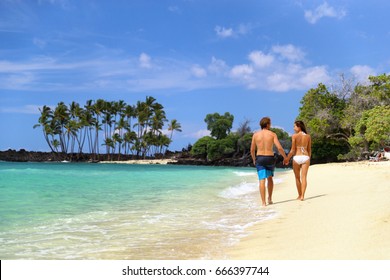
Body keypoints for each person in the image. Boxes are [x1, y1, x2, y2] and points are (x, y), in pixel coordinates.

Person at [251, 117, 287, 207]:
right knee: (270, 178)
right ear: (267, 124)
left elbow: (252, 149)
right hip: (269, 158)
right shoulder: (272, 134)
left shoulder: (255, 135)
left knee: (261, 180)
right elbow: (279, 147)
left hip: (260, 158)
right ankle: (270, 198)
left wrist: (254, 159)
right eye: (270, 123)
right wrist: (285, 157)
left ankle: (263, 203)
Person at [284, 120, 312, 201]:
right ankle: (302, 196)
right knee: (304, 177)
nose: (293, 128)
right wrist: (308, 158)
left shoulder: (294, 136)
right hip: (306, 157)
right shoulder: (308, 136)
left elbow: (292, 150)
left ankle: (299, 195)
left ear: (299, 127)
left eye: (294, 126)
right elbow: (309, 149)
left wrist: (287, 159)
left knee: (297, 177)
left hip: (297, 157)